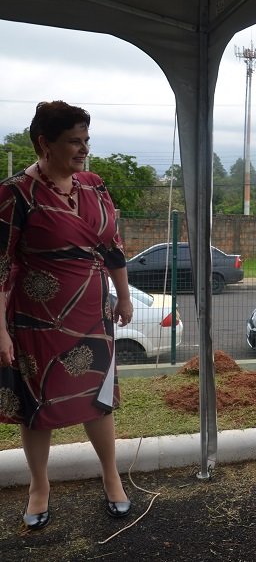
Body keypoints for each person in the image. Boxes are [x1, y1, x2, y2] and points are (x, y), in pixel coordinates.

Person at [0, 101, 133, 530]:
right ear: (45, 143)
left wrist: (124, 295)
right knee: (36, 406)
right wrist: (0, 329)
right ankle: (40, 487)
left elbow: (112, 245)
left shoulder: (94, 186)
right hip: (37, 319)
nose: (83, 149)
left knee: (100, 401)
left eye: (86, 140)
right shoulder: (15, 193)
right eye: (74, 141)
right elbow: (1, 264)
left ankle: (112, 478)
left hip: (94, 314)